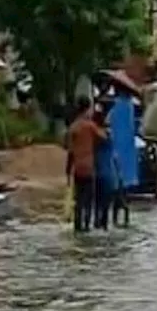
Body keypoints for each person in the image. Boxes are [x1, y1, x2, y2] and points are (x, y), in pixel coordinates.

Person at [66, 96, 106, 233]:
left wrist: (67, 171)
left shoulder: (73, 127)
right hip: (89, 168)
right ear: (88, 109)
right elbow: (104, 137)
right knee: (88, 200)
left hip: (77, 168)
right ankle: (87, 226)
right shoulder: (90, 126)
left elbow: (70, 152)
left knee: (78, 200)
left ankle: (77, 227)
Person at [92, 100, 120, 230]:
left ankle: (98, 226)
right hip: (109, 175)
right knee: (105, 208)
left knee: (97, 206)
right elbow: (116, 157)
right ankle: (103, 227)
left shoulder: (95, 135)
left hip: (97, 174)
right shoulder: (108, 135)